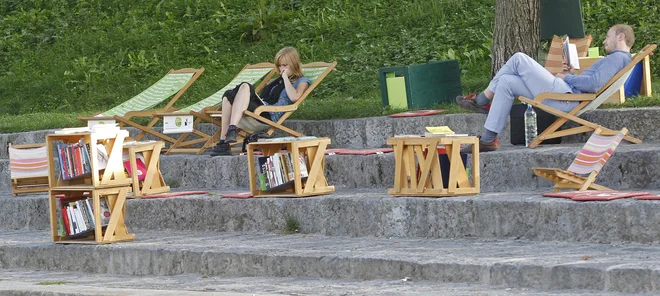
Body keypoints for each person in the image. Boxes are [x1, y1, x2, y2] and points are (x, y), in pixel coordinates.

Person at [456, 24, 634, 152]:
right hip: (566, 94)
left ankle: (482, 100)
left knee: (519, 58)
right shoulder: (619, 59)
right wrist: (572, 73)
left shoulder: (618, 58)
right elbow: (593, 83)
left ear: (621, 36)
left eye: (608, 36)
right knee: (507, 82)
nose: (604, 41)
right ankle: (488, 139)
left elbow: (594, 85)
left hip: (566, 97)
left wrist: (567, 77)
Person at [210, 47, 311, 156]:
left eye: (285, 65)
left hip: (267, 115)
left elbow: (294, 97)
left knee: (245, 85)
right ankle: (223, 142)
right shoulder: (276, 81)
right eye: (279, 65)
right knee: (229, 94)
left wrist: (286, 78)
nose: (281, 68)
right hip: (260, 109)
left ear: (294, 64)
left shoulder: (302, 81)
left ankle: (232, 129)